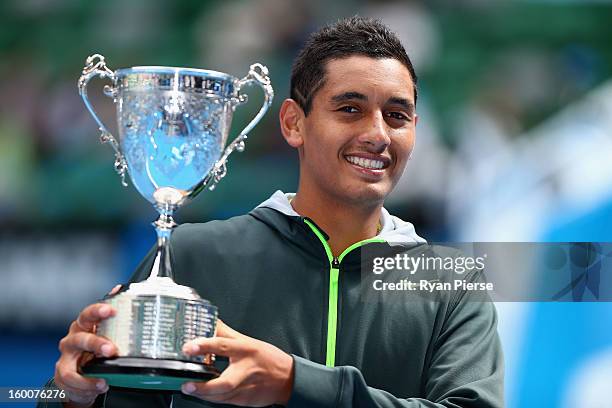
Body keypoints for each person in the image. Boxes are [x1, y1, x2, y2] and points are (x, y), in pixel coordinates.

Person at [45, 16, 504, 408]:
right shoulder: (192, 257)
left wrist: (292, 382)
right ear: (293, 123)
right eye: (350, 109)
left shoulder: (453, 284)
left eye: (397, 116)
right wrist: (71, 395)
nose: (378, 134)